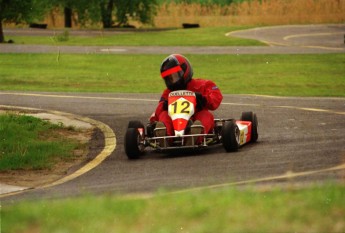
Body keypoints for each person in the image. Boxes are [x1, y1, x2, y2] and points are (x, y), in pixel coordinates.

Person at [149, 54, 223, 144]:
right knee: (164, 115)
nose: (172, 81)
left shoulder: (202, 85)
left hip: (195, 118)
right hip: (174, 123)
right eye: (169, 78)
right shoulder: (168, 93)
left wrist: (203, 99)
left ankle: (195, 135)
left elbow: (216, 96)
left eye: (174, 76)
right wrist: (164, 105)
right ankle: (164, 137)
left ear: (184, 71)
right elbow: (157, 113)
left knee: (206, 115)